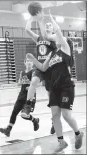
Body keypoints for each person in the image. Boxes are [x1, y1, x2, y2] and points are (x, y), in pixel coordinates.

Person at [22, 9, 83, 153]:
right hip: (54, 88)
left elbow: (58, 34)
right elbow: (42, 68)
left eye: (57, 36)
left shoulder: (66, 48)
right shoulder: (52, 54)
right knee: (55, 116)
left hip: (66, 86)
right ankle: (61, 142)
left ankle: (78, 133)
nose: (55, 37)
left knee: (66, 115)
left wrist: (48, 19)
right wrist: (33, 59)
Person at [0, 56, 40, 137]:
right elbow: (19, 82)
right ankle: (8, 129)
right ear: (24, 63)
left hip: (30, 97)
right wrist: (17, 83)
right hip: (21, 96)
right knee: (14, 112)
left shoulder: (34, 72)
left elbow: (39, 83)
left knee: (24, 116)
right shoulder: (22, 73)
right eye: (27, 61)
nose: (29, 62)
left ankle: (35, 121)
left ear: (32, 63)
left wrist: (32, 87)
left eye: (30, 61)